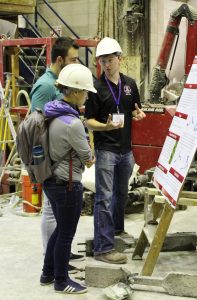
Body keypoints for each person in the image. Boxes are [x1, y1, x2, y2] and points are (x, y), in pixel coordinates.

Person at [84, 37, 146, 264]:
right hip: (106, 150)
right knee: (104, 198)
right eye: (102, 61)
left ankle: (117, 231)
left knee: (121, 195)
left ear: (119, 59)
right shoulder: (95, 88)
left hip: (125, 150)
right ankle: (103, 248)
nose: (106, 65)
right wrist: (106, 126)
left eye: (110, 60)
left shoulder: (130, 85)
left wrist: (138, 115)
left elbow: (135, 110)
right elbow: (88, 121)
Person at [40, 64, 96, 294]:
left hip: (51, 180)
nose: (86, 95)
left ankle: (47, 273)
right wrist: (89, 152)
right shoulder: (72, 123)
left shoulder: (51, 112)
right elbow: (88, 158)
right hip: (67, 185)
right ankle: (61, 281)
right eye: (84, 91)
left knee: (59, 230)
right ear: (73, 92)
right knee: (66, 235)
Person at [30, 37, 83, 271]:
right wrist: (43, 163)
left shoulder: (59, 82)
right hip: (51, 161)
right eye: (72, 60)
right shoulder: (45, 86)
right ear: (60, 60)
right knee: (51, 210)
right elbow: (35, 125)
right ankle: (49, 258)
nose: (75, 65)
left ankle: (59, 254)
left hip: (61, 159)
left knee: (58, 214)